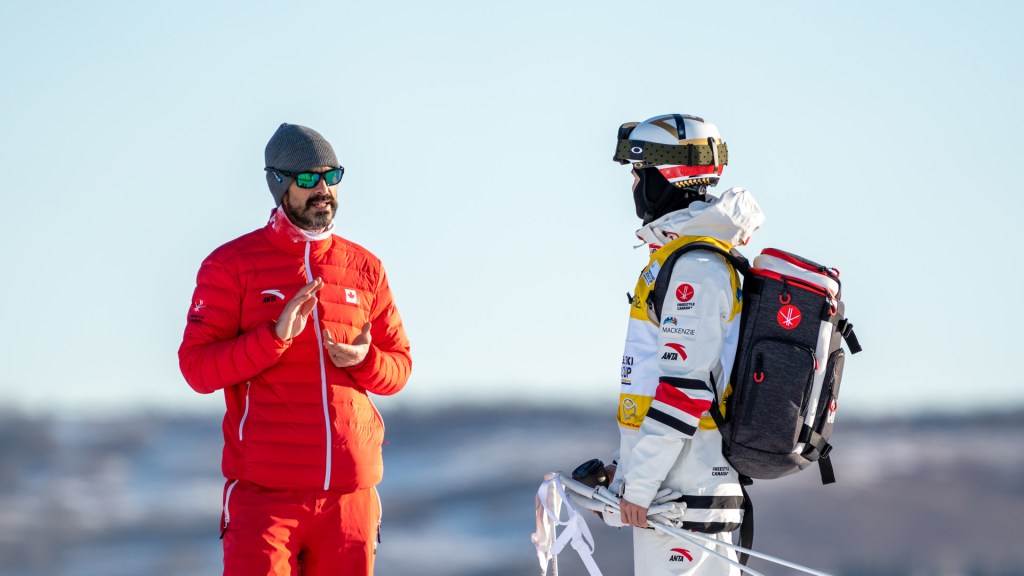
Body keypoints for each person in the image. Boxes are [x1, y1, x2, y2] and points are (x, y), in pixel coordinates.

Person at [178, 122, 412, 576]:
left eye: (332, 176)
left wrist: (366, 361)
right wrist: (273, 339)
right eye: (308, 178)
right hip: (266, 500)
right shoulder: (231, 265)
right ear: (279, 184)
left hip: (350, 498)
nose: (323, 189)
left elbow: (399, 367)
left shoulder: (365, 268)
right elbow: (197, 368)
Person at [606, 114, 764, 575]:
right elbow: (657, 382)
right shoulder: (681, 258)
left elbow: (686, 389)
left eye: (640, 174)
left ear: (666, 177)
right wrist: (624, 470)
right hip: (675, 499)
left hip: (682, 507)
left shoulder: (696, 267)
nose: (634, 186)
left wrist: (639, 487)